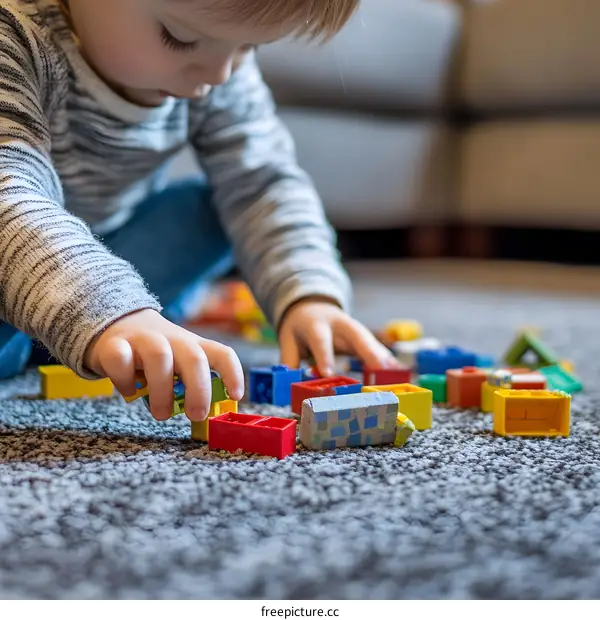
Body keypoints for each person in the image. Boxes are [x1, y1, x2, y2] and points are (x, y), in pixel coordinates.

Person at [0, 0, 399, 423]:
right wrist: (107, 306)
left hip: (111, 245)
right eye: (180, 38)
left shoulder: (217, 64)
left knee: (218, 211)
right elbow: (9, 196)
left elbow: (263, 183)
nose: (218, 75)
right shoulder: (15, 34)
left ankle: (116, 327)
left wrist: (311, 296)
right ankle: (82, 327)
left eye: (248, 47)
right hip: (15, 245)